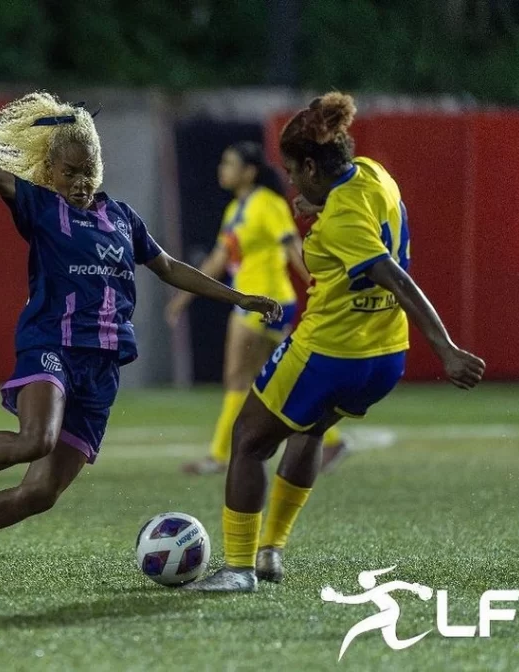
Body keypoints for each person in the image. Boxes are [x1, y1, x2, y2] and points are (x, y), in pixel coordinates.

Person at [0, 90, 283, 575]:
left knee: (40, 493)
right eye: (69, 172)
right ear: (48, 172)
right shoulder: (41, 207)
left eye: (88, 171)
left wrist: (239, 297)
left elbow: (168, 267)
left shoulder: (123, 219)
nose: (80, 182)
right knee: (34, 440)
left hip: (102, 367)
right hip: (51, 346)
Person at [185, 93, 486, 591]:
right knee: (309, 431)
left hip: (329, 351)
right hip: (384, 357)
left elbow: (394, 276)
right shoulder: (372, 173)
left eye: (292, 171)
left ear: (309, 164)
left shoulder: (343, 218)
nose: (291, 183)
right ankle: (271, 552)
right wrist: (318, 200)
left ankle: (238, 569)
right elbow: (357, 210)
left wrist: (447, 347)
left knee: (249, 441)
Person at [165, 141, 348, 476]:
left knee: (238, 378)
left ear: (249, 171)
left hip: (264, 301)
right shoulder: (237, 208)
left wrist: (318, 285)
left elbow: (292, 246)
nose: (223, 169)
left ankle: (219, 455)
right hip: (259, 300)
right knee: (286, 377)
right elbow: (220, 259)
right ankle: (332, 438)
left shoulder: (266, 204)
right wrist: (184, 295)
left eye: (230, 163)